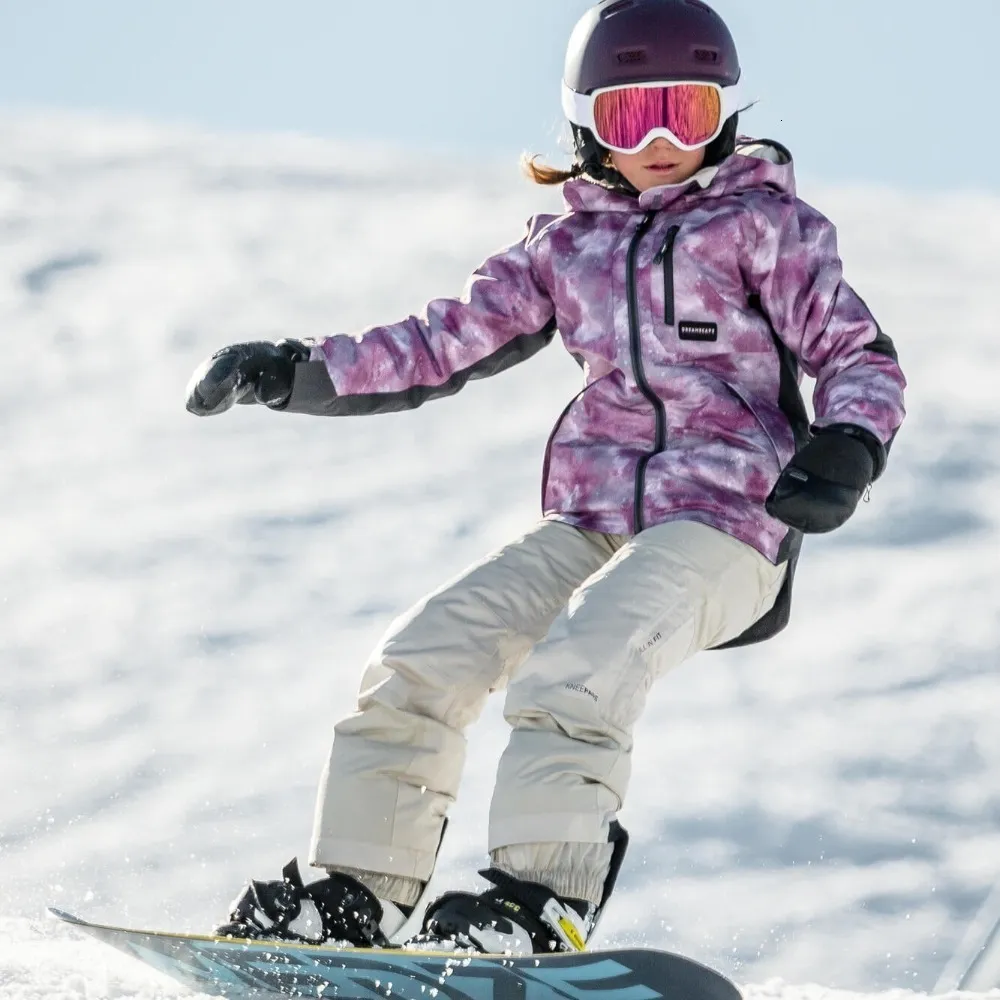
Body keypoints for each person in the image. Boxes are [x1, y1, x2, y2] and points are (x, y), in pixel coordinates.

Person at [185, 0, 906, 955]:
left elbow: (857, 352)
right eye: (627, 116)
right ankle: (357, 891)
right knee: (424, 656)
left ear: (724, 114)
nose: (657, 141)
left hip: (731, 523)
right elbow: (443, 343)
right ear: (584, 124)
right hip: (595, 519)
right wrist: (297, 368)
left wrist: (848, 445)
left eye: (684, 113)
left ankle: (538, 902)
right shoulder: (567, 249)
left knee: (581, 660)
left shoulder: (764, 228)